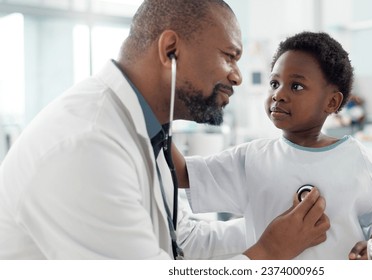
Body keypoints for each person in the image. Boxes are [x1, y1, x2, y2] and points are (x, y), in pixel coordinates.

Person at [0, 0, 330, 260]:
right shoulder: (88, 146)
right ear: (171, 49)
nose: (238, 77)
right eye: (230, 56)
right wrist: (269, 253)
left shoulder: (146, 130)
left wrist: (274, 229)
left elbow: (182, 239)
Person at [174, 31, 372, 260]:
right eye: (274, 83)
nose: (279, 94)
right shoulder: (253, 157)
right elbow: (184, 173)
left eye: (296, 86)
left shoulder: (354, 159)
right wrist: (153, 114)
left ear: (331, 101)